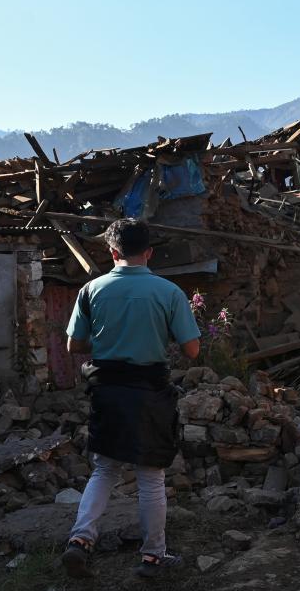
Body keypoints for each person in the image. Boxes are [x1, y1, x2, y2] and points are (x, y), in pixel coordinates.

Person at [60, 218, 201, 579]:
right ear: (149, 252)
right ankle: (153, 556)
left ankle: (80, 541)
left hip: (107, 390)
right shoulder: (169, 292)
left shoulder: (91, 290)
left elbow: (74, 345)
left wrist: (108, 342)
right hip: (150, 390)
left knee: (105, 468)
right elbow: (192, 350)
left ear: (112, 252)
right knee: (150, 476)